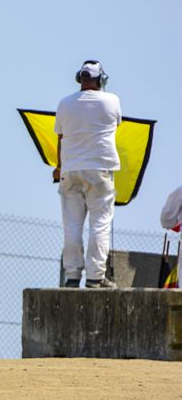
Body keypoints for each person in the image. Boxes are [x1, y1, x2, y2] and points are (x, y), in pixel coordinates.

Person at [53, 60, 122, 289]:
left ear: (79, 79)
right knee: (100, 224)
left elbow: (61, 139)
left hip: (70, 170)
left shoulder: (64, 104)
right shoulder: (112, 101)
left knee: (71, 225)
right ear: (100, 80)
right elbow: (116, 127)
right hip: (100, 169)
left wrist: (59, 166)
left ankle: (72, 276)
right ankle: (95, 277)